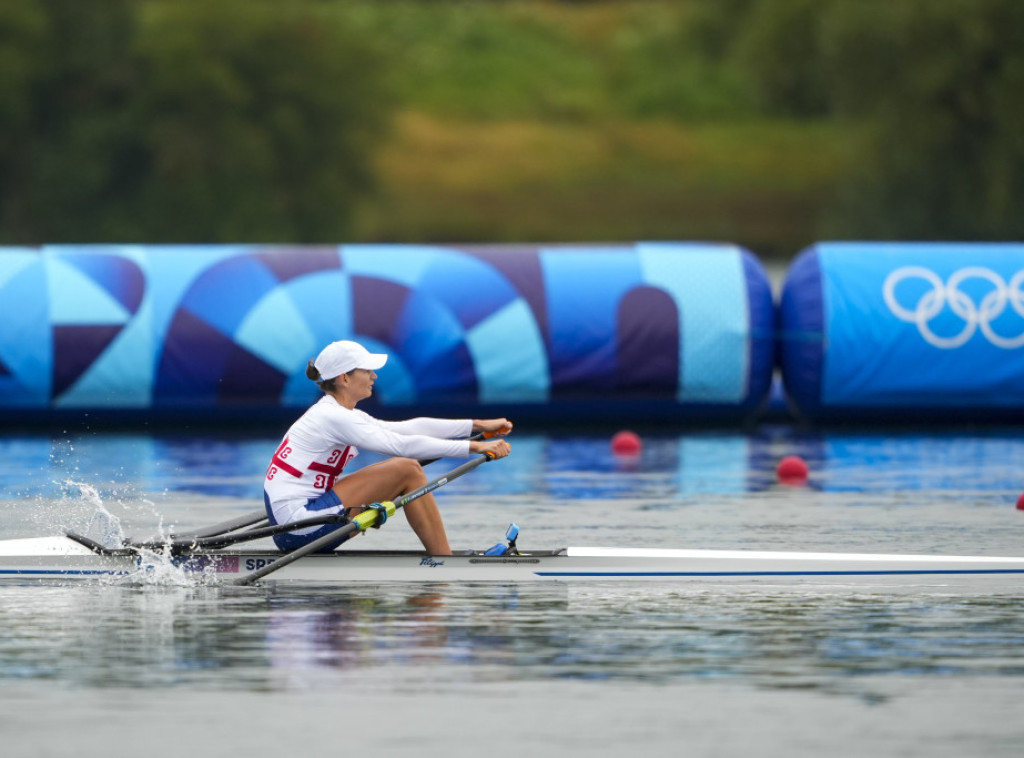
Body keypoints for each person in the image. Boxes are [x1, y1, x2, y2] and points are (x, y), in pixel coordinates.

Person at [263, 339, 512, 555]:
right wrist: (476, 448)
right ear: (344, 378)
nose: (374, 376)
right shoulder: (333, 417)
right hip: (298, 527)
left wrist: (478, 425)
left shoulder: (339, 413)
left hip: (296, 522)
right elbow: (402, 445)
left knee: (407, 468)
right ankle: (444, 561)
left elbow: (408, 428)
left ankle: (442, 557)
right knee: (408, 470)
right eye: (367, 370)